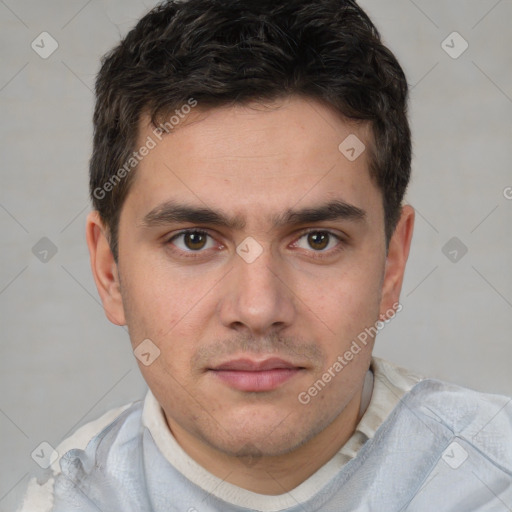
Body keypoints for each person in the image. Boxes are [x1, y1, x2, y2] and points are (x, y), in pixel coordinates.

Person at [19, 0, 512, 510]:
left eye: (317, 239)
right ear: (109, 272)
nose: (257, 309)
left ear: (391, 264)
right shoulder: (68, 499)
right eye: (194, 239)